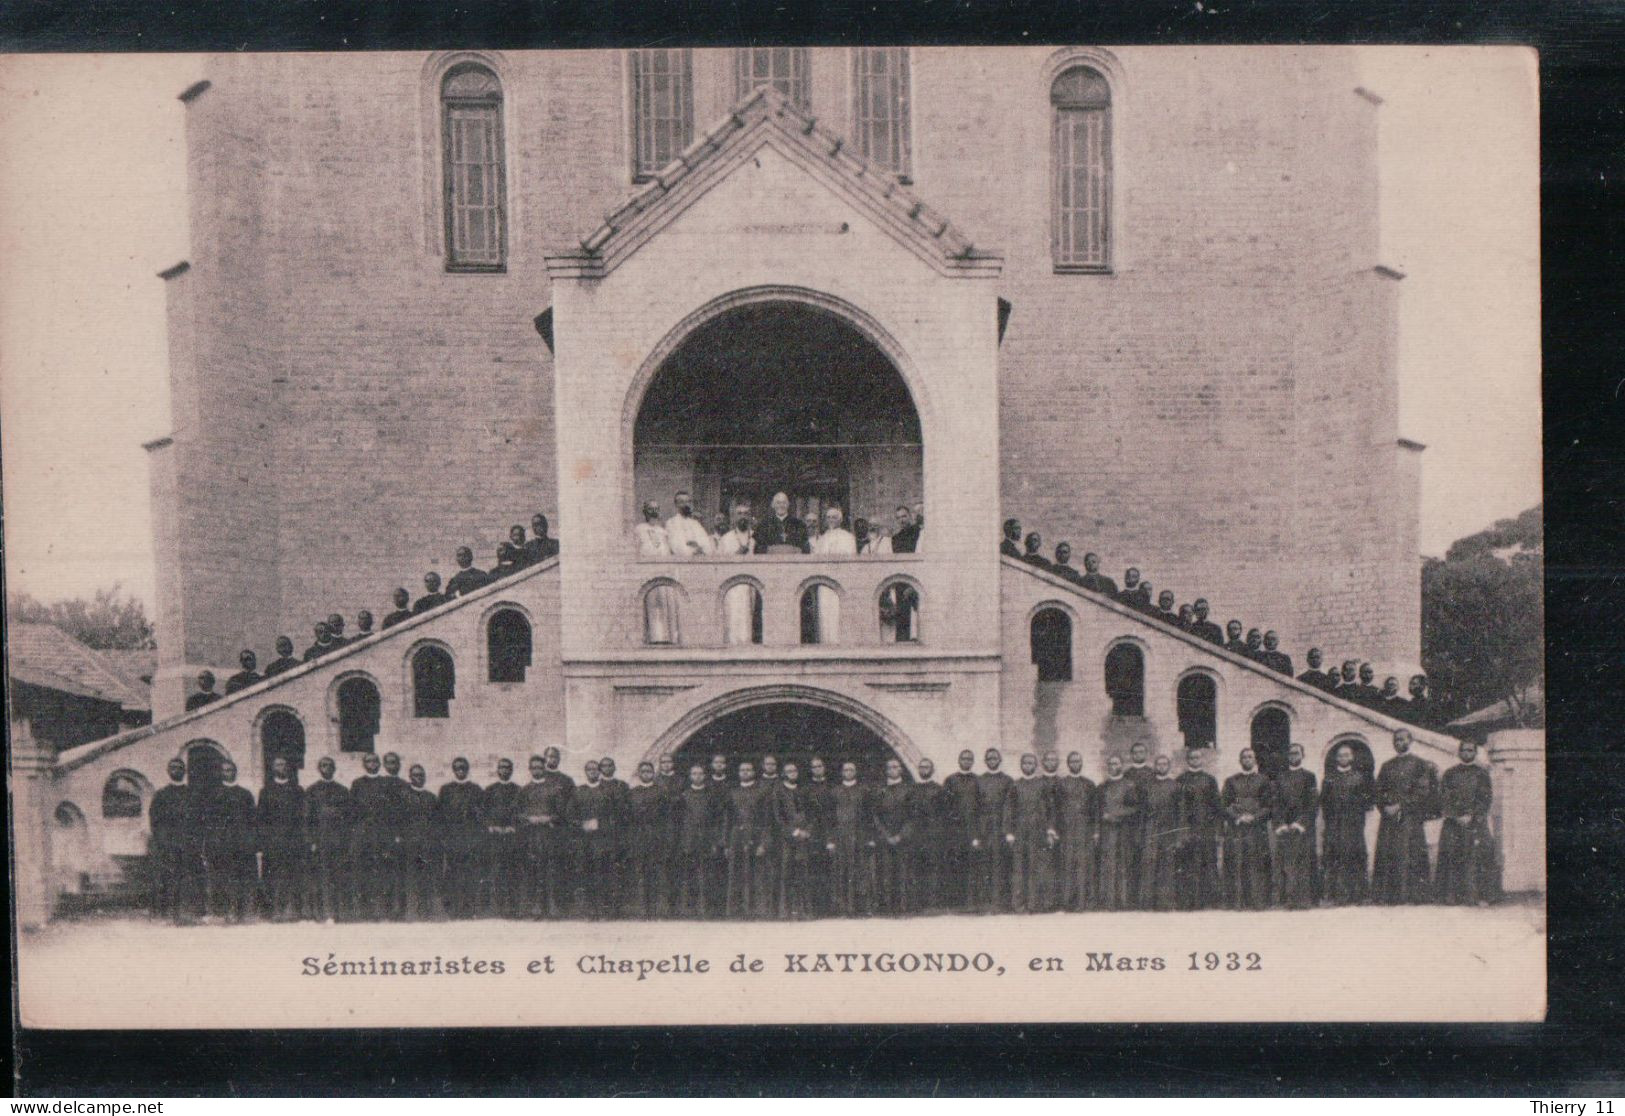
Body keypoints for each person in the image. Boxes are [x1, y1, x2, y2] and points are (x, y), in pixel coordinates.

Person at [1372, 729, 1439, 904]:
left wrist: (1400, 805)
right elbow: (1378, 790)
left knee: (1410, 853)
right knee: (1389, 853)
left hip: (1410, 818)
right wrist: (1385, 807)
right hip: (1389, 818)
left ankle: (1412, 895)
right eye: (1396, 740)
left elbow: (1422, 791)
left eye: (1402, 739)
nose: (1398, 743)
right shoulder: (1387, 765)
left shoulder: (1420, 764)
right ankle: (1388, 896)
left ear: (1411, 740)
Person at [1436, 741, 1498, 905]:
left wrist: (1471, 815)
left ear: (1475, 753)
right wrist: (1456, 816)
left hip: (1475, 822)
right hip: (1453, 823)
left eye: (1470, 750)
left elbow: (1485, 798)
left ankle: (1477, 896)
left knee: (1480, 854)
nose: (1467, 753)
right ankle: (1451, 896)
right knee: (1451, 854)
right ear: (1459, 752)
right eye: (1464, 750)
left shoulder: (1482, 774)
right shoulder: (1450, 773)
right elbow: (1444, 797)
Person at [518, 750, 575, 919]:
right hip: (532, 837)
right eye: (533, 767)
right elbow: (517, 813)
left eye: (539, 767)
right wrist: (529, 819)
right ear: (530, 769)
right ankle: (536, 908)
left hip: (550, 836)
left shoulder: (554, 789)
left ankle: (553, 908)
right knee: (534, 871)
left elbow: (563, 813)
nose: (537, 770)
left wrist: (548, 818)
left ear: (544, 767)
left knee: (552, 871)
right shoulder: (525, 790)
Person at [1320, 743, 1375, 905]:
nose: (1343, 758)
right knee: (1334, 857)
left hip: (1353, 825)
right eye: (1340, 755)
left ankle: (1357, 895)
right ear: (1336, 758)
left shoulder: (1360, 777)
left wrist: (1355, 813)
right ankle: (1335, 895)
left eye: (1346, 755)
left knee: (1354, 856)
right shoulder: (1329, 778)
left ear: (1351, 757)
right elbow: (1324, 801)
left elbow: (1367, 801)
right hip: (1334, 824)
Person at [205, 759, 257, 922]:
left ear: (236, 772)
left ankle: (242, 912)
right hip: (221, 844)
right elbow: (209, 822)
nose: (228, 773)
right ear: (221, 773)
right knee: (223, 878)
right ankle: (224, 912)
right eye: (225, 770)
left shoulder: (245, 794)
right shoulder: (213, 794)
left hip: (241, 844)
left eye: (231, 770)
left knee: (242, 878)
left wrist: (251, 841)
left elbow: (252, 820)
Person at [303, 756, 353, 923]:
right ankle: (324, 913)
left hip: (339, 841)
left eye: (330, 765)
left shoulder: (343, 790)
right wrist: (311, 841)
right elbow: (307, 819)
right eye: (323, 765)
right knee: (322, 878)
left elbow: (349, 819)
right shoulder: (311, 790)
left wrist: (347, 841)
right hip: (321, 841)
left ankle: (340, 913)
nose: (326, 768)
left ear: (334, 768)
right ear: (319, 768)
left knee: (339, 877)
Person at [1221, 748, 1272, 910]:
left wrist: (1254, 817)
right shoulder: (1231, 781)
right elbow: (1224, 805)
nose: (1247, 759)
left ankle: (1257, 902)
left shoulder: (1263, 780)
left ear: (1255, 760)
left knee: (1256, 863)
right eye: (1244, 757)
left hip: (1256, 829)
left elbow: (1269, 806)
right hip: (1237, 829)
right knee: (1236, 863)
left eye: (1251, 757)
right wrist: (1237, 817)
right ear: (1240, 760)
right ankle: (1237, 902)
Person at [1172, 748, 1223, 910]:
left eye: (1197, 757)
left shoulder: (1210, 780)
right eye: (1192, 757)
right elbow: (1176, 808)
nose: (1195, 760)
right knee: (1188, 863)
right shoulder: (1180, 780)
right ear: (1187, 760)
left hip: (1206, 828)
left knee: (1207, 862)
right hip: (1188, 829)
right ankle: (1188, 901)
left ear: (1202, 760)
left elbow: (1217, 807)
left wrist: (1218, 830)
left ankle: (1209, 901)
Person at [573, 760, 624, 919]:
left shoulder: (609, 791)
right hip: (585, 841)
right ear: (585, 772)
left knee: (605, 874)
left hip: (604, 840)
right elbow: (570, 814)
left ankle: (607, 911)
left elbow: (617, 815)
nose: (592, 772)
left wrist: (600, 824)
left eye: (595, 769)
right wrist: (582, 824)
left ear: (600, 771)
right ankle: (591, 911)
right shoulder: (579, 791)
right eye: (589, 769)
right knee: (588, 874)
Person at [721, 760, 773, 918]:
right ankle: (737, 910)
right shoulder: (732, 793)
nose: (745, 772)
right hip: (736, 837)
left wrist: (764, 843)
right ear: (738, 773)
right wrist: (726, 844)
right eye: (742, 770)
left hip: (756, 835)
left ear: (753, 772)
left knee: (757, 874)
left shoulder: (761, 792)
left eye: (748, 770)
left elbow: (766, 820)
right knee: (737, 874)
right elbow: (727, 820)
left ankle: (757, 910)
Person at [148, 758, 197, 922]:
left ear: (185, 771)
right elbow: (155, 821)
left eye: (179, 768)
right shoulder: (161, 795)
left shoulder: (192, 793)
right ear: (168, 771)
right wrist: (163, 841)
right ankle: (169, 913)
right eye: (173, 767)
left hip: (187, 844)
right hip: (168, 845)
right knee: (168, 878)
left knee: (187, 878)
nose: (176, 770)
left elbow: (198, 820)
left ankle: (186, 913)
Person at [258, 755, 306, 922]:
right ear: (273, 769)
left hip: (293, 840)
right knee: (273, 876)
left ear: (288, 768)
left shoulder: (298, 790)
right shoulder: (266, 791)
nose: (282, 768)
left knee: (292, 875)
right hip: (273, 841)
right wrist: (263, 842)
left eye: (284, 765)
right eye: (278, 765)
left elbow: (303, 817)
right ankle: (275, 911)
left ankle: (292, 910)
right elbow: (261, 819)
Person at [436, 757, 485, 919]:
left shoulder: (476, 790)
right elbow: (440, 817)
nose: (460, 770)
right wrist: (444, 839)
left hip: (470, 840)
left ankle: (468, 909)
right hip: (453, 840)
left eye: (463, 767)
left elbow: (481, 817)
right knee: (452, 874)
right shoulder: (446, 790)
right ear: (453, 769)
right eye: (457, 767)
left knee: (470, 874)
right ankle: (453, 910)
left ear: (467, 769)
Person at [1270, 744, 1318, 909]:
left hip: (1303, 827)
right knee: (1285, 863)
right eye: (1290, 754)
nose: (1293, 756)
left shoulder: (1309, 776)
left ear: (1302, 755)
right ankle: (1286, 900)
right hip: (1285, 827)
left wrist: (1300, 823)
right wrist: (1281, 823)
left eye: (1296, 753)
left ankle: (1304, 900)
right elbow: (1275, 802)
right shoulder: (1280, 777)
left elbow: (1312, 803)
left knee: (1303, 862)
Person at [1008, 753, 1058, 913]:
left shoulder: (1042, 785)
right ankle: (1019, 905)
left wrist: (1050, 829)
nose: (1028, 766)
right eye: (1025, 763)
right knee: (1019, 868)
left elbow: (1051, 809)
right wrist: (1009, 832)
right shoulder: (1015, 785)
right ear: (1021, 765)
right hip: (1020, 831)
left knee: (1036, 867)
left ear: (1035, 766)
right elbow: (1009, 810)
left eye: (1031, 763)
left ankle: (1035, 904)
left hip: (1038, 831)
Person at [348, 752, 393, 920]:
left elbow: (392, 811)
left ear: (380, 764)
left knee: (382, 871)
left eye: (375, 761)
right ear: (364, 764)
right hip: (363, 834)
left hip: (381, 834)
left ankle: (382, 911)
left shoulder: (386, 783)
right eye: (369, 761)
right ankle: (364, 911)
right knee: (363, 871)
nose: (372, 763)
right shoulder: (357, 784)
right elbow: (352, 811)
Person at [677, 763, 724, 918]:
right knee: (689, 874)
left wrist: (715, 841)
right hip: (690, 840)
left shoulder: (711, 796)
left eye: (700, 773)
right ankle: (690, 910)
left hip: (706, 840)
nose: (697, 776)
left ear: (704, 776)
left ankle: (707, 909)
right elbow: (680, 821)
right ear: (690, 776)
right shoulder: (683, 796)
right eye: (694, 773)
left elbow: (717, 820)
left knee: (708, 874)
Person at [1097, 755, 1144, 910]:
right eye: (1110, 763)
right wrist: (1102, 818)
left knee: (1123, 864)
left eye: (1116, 763)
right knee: (1108, 864)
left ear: (1121, 765)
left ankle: (1123, 901)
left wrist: (1116, 815)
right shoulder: (1102, 787)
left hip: (1124, 831)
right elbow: (1096, 809)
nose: (1113, 766)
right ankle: (1108, 902)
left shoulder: (1129, 785)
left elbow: (1135, 808)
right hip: (1107, 831)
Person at [829, 760, 875, 917]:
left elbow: (870, 816)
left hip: (859, 836)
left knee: (860, 872)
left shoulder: (864, 790)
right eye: (846, 769)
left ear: (855, 772)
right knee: (842, 872)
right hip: (841, 837)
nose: (848, 772)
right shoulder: (834, 791)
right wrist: (830, 840)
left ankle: (860, 908)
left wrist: (870, 837)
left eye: (851, 769)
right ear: (842, 772)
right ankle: (843, 908)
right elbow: (830, 819)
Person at [871, 757, 915, 915]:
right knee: (886, 873)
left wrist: (900, 836)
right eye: (889, 767)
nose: (892, 770)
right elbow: (875, 816)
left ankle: (904, 908)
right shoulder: (880, 791)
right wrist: (886, 835)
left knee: (903, 873)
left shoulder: (908, 790)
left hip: (903, 838)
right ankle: (889, 908)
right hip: (885, 839)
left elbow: (912, 816)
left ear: (901, 769)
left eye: (895, 767)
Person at [1138, 754, 1183, 911]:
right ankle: (1148, 903)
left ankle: (1165, 903)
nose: (1162, 766)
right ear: (1155, 766)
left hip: (1168, 829)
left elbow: (1180, 812)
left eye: (1165, 763)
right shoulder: (1147, 786)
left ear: (1169, 766)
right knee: (1149, 864)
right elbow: (1142, 812)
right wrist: (1142, 832)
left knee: (1167, 864)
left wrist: (1178, 836)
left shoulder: (1175, 786)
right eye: (1159, 763)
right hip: (1151, 828)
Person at [1055, 752, 1098, 912]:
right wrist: (1056, 829)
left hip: (1084, 829)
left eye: (1077, 761)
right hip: (1066, 829)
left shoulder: (1089, 784)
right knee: (1067, 864)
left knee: (1083, 865)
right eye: (1072, 761)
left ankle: (1082, 902)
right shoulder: (1061, 784)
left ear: (1081, 763)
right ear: (1068, 764)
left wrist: (1095, 831)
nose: (1075, 764)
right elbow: (1056, 808)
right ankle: (1067, 902)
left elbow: (1095, 809)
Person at [481, 758, 523, 917]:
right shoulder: (490, 790)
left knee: (513, 873)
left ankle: (513, 908)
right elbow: (484, 812)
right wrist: (492, 826)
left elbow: (520, 812)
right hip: (496, 839)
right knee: (497, 872)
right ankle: (498, 907)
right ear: (498, 770)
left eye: (507, 767)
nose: (504, 770)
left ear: (511, 770)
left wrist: (514, 826)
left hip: (512, 838)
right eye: (501, 767)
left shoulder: (518, 790)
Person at [626, 762, 666, 918]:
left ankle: (654, 909)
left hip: (655, 836)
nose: (646, 774)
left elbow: (665, 816)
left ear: (653, 773)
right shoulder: (632, 793)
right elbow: (628, 817)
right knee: (640, 873)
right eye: (643, 771)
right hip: (638, 836)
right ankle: (642, 909)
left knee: (655, 873)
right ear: (639, 774)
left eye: (649, 771)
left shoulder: (660, 792)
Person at [942, 750, 981, 913]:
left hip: (972, 830)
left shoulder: (978, 781)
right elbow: (945, 805)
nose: (966, 761)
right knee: (955, 865)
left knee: (972, 866)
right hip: (955, 830)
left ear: (972, 762)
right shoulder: (951, 780)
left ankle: (971, 903)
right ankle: (956, 903)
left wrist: (977, 834)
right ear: (959, 760)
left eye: (969, 759)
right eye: (963, 758)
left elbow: (980, 807)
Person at [401, 765, 441, 920]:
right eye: (415, 775)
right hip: (410, 844)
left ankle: (427, 912)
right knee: (411, 878)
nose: (418, 778)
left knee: (428, 878)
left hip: (427, 844)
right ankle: (413, 913)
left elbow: (437, 821)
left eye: (421, 775)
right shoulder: (404, 796)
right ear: (410, 777)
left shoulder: (431, 798)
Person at [376, 752, 412, 919]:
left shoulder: (405, 785)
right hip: (384, 836)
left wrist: (401, 833)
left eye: (395, 762)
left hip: (402, 836)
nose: (392, 766)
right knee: (384, 874)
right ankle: (385, 910)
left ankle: (400, 910)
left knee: (401, 874)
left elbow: (407, 813)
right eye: (389, 763)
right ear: (384, 765)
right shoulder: (379, 784)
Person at [908, 758, 945, 913]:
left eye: (927, 767)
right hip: (916, 835)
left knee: (933, 868)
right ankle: (918, 903)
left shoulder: (938, 789)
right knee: (916, 868)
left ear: (932, 769)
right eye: (921, 767)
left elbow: (945, 814)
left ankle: (932, 903)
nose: (924, 769)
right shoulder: (913, 789)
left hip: (933, 835)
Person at [666, 489, 714, 557]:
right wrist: (695, 550)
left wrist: (696, 545)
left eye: (688, 502)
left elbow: (707, 544)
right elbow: (676, 547)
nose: (686, 504)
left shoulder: (695, 524)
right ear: (676, 504)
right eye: (682, 502)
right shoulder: (671, 523)